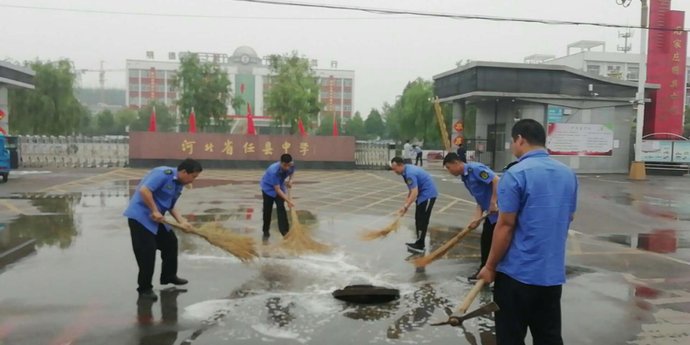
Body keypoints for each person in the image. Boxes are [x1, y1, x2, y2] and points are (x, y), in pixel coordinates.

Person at [478, 119, 578, 345]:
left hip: (516, 276)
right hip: (551, 276)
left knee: (511, 338)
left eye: (513, 142)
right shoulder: (567, 174)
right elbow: (568, 217)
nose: (513, 147)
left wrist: (490, 266)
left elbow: (505, 225)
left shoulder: (515, 174)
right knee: (548, 337)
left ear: (520, 139)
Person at [124, 158, 202, 301]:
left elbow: (171, 205)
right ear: (184, 172)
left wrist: (182, 221)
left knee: (170, 243)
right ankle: (144, 288)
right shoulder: (162, 173)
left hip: (157, 219)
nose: (193, 181)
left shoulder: (179, 184)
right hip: (141, 217)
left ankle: (168, 276)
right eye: (193, 176)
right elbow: (145, 190)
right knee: (147, 253)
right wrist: (154, 210)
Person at [442, 152, 499, 281]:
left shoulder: (475, 169)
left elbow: (496, 180)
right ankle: (484, 272)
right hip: (491, 215)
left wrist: (493, 202)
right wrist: (475, 220)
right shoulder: (465, 178)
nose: (449, 171)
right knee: (486, 242)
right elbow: (479, 200)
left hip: (500, 212)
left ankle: (492, 274)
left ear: (456, 163)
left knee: (495, 243)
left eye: (448, 168)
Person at [390, 157, 438, 253]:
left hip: (428, 195)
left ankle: (420, 245)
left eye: (395, 169)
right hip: (422, 195)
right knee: (418, 219)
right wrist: (405, 206)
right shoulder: (406, 171)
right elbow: (411, 190)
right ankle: (419, 242)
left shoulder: (410, 173)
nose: (394, 171)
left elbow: (414, 192)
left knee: (422, 221)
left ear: (400, 165)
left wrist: (406, 206)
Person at [260, 153, 295, 241]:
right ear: (281, 163)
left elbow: (292, 173)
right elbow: (277, 190)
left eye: (288, 165)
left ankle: (285, 232)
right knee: (267, 210)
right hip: (268, 189)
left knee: (281, 208)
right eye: (284, 165)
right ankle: (265, 231)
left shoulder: (291, 165)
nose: (287, 168)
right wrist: (288, 201)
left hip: (280, 185)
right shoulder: (273, 171)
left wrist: (290, 180)